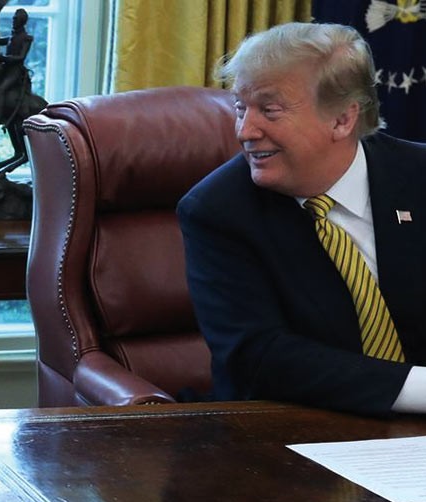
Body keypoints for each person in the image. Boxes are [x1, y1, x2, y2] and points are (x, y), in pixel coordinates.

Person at [177, 21, 426, 417]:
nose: (245, 131)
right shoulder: (216, 211)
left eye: (269, 111)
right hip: (285, 433)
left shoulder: (418, 176)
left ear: (343, 120)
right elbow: (261, 357)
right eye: (240, 108)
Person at [0, 8, 33, 124]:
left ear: (22, 21)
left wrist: (5, 58)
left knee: (1, 89)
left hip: (15, 70)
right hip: (5, 67)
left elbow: (21, 57)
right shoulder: (11, 37)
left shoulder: (26, 38)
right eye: (13, 18)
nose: (13, 21)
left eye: (16, 19)